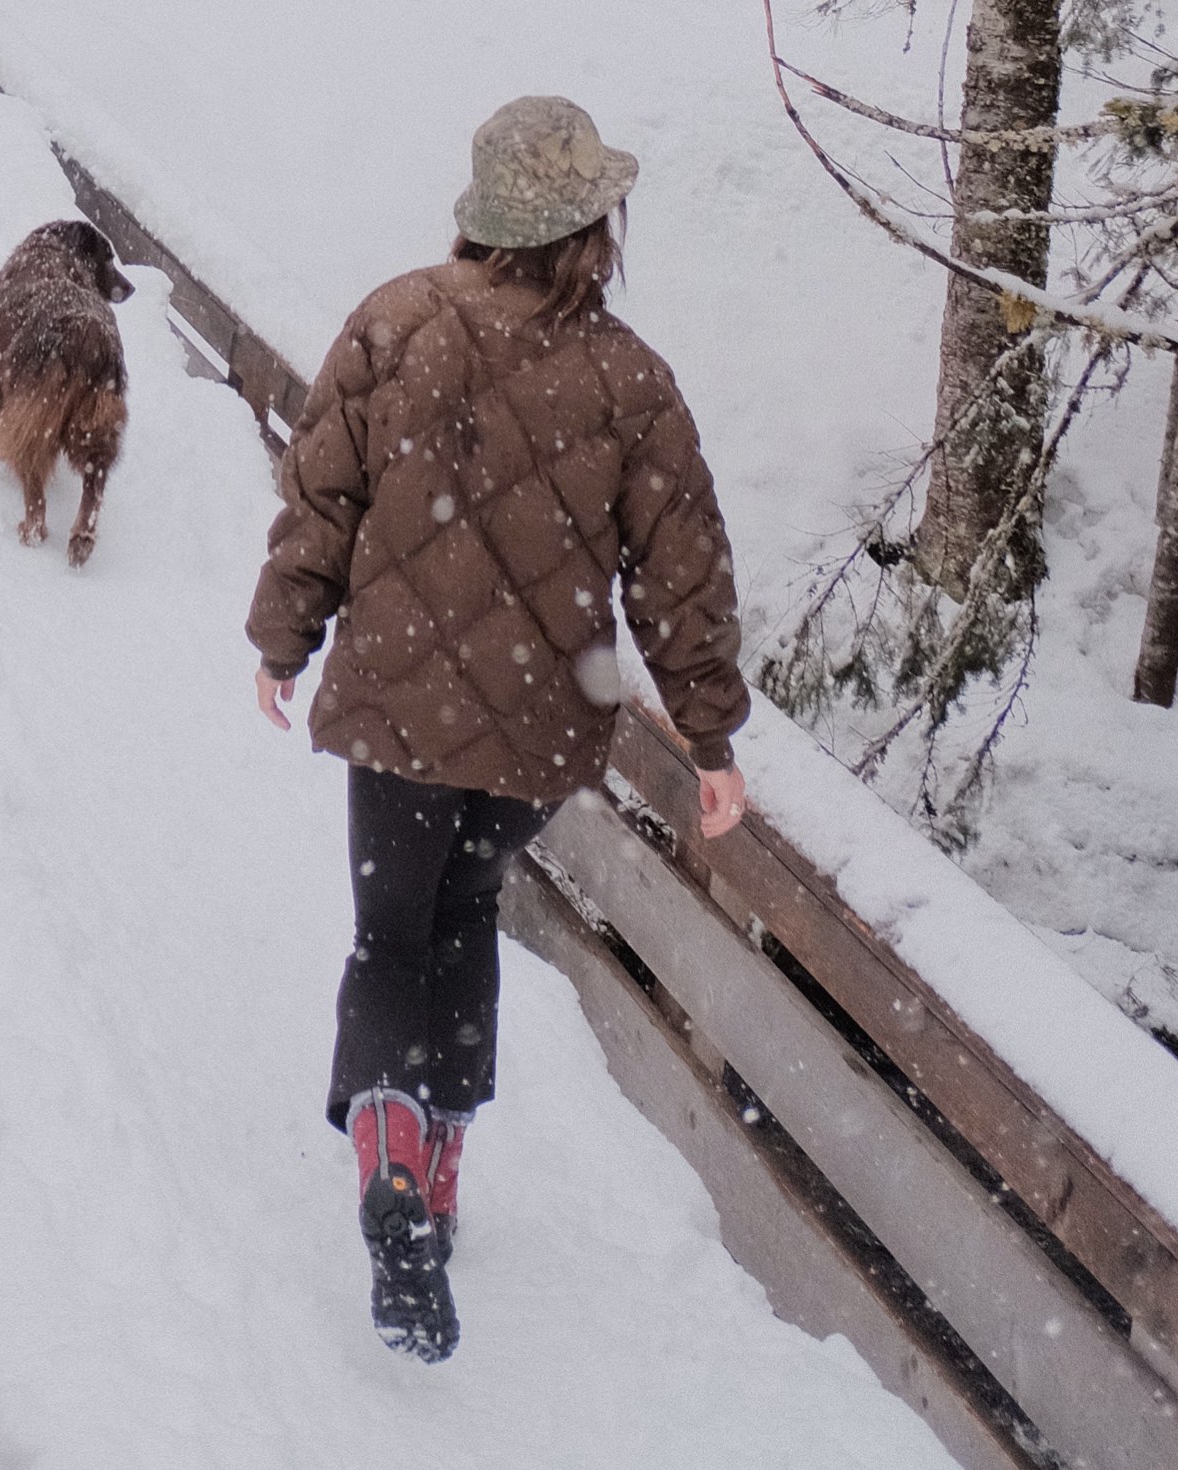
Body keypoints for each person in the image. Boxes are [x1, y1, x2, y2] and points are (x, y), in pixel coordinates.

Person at [245, 96, 752, 1363]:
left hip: (398, 712)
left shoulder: (397, 319)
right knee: (467, 914)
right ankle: (447, 1167)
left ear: (487, 214)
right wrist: (710, 737)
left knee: (389, 929)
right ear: (594, 224)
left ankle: (391, 1150)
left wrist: (282, 638)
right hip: (535, 731)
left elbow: (321, 493)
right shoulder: (633, 381)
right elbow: (681, 572)